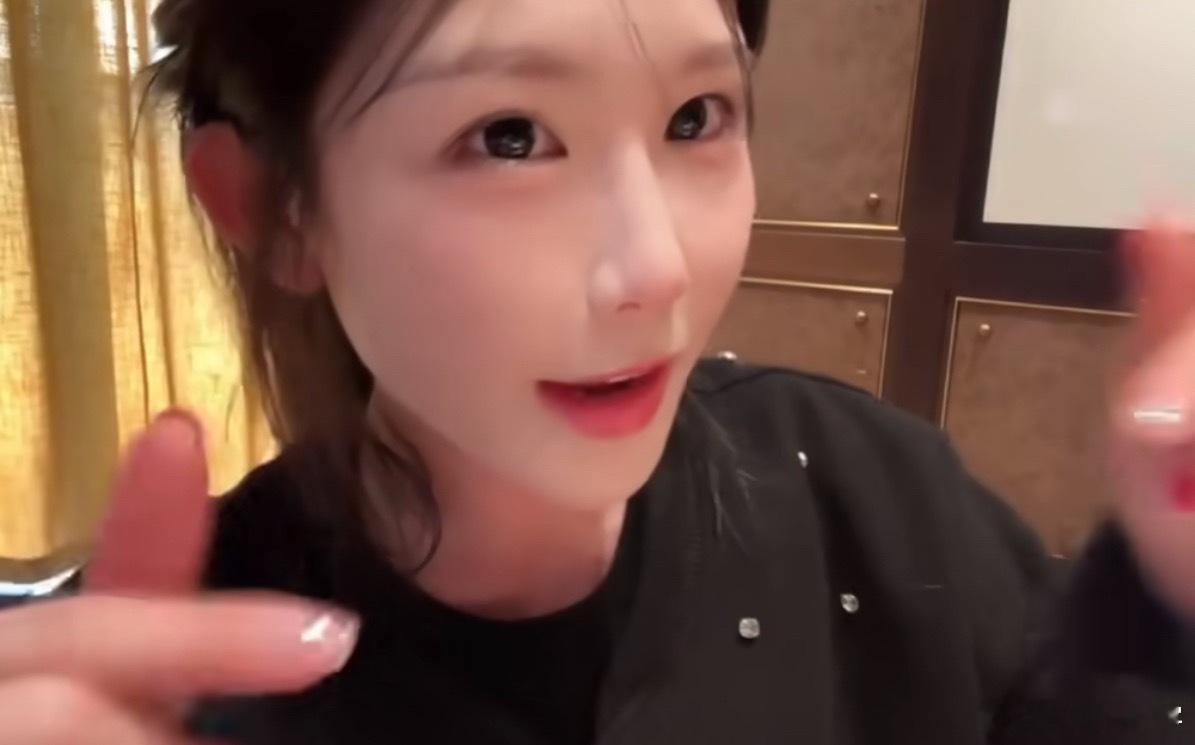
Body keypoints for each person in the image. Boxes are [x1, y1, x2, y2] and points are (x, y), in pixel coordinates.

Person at [1, 0, 1193, 742]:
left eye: (696, 118)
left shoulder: (869, 491)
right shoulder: (151, 677)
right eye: (510, 137)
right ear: (274, 207)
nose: (654, 268)